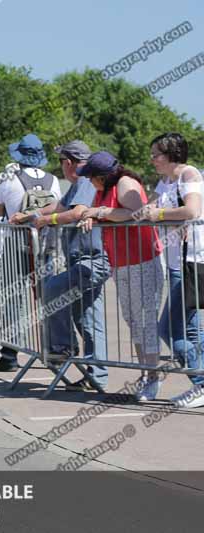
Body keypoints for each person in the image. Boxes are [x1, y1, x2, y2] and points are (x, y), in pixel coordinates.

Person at [14, 141, 111, 391]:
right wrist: (29, 216)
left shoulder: (85, 182)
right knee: (89, 319)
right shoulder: (79, 184)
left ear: (68, 163)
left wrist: (46, 220)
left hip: (92, 260)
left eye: (61, 162)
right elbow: (57, 206)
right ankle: (96, 375)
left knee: (51, 289)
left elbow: (77, 212)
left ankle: (62, 348)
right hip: (84, 259)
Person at [79, 151, 164, 399]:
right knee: (133, 320)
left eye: (91, 177)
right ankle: (145, 373)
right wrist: (93, 216)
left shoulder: (126, 184)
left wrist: (101, 213)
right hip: (122, 261)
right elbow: (108, 214)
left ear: (103, 176)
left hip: (142, 260)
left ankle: (152, 376)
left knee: (145, 321)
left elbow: (138, 213)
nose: (89, 182)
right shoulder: (103, 190)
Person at [0, 133, 62, 372]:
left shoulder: (10, 181)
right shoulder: (54, 180)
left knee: (13, 300)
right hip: (45, 244)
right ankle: (53, 349)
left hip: (15, 244)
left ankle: (10, 353)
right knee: (47, 297)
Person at [142, 133, 204, 408]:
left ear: (171, 155)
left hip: (192, 261)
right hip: (175, 263)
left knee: (170, 329)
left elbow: (192, 210)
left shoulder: (188, 175)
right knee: (190, 331)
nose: (152, 159)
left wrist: (160, 215)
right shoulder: (165, 180)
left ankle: (201, 383)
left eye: (156, 154)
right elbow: (149, 206)